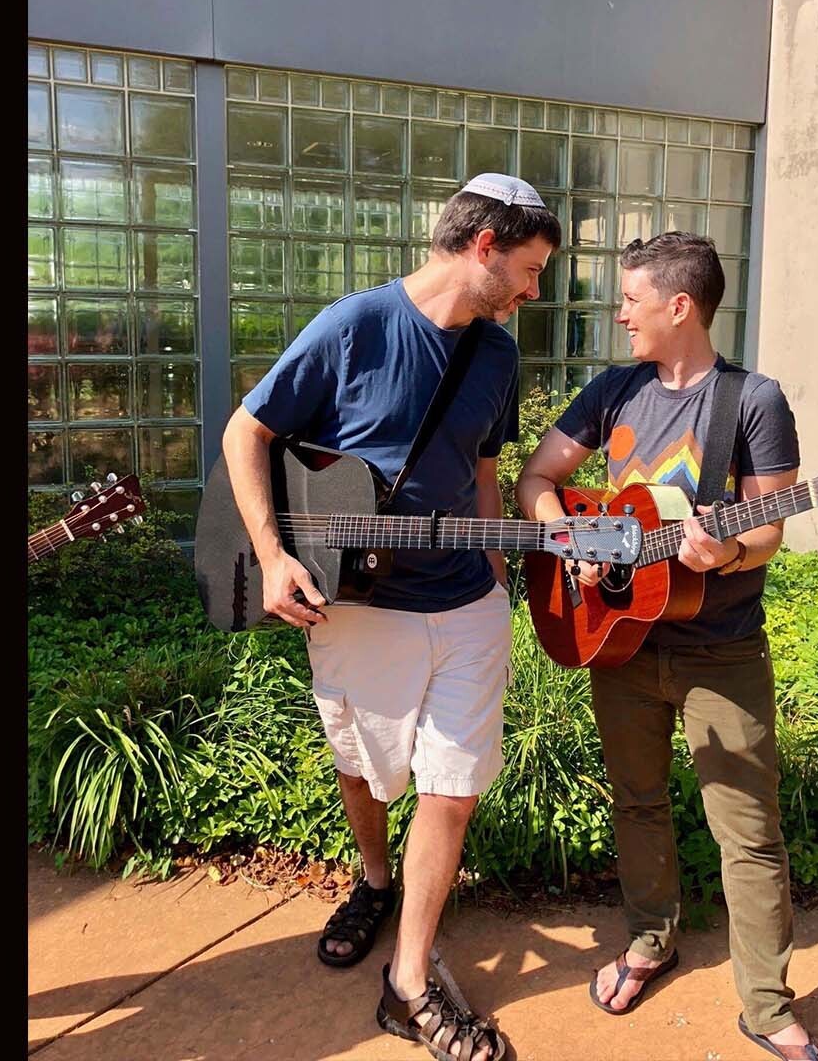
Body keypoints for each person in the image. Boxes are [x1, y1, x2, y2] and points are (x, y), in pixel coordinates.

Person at [221, 173, 559, 1061]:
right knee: (368, 772)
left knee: (450, 790)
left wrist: (497, 570)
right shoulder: (355, 326)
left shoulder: (498, 356)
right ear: (483, 247)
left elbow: (485, 465)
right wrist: (271, 554)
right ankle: (374, 878)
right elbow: (244, 432)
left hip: (466, 604)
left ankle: (408, 983)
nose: (533, 294)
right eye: (528, 271)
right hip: (359, 603)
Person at [513, 232, 818, 1060]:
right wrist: (566, 541)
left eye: (631, 299)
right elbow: (536, 481)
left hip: (719, 650)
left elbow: (766, 528)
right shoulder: (614, 390)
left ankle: (766, 1007)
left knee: (749, 832)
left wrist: (723, 551)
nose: (619, 313)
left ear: (679, 306)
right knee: (637, 801)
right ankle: (648, 941)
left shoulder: (753, 401)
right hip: (617, 640)